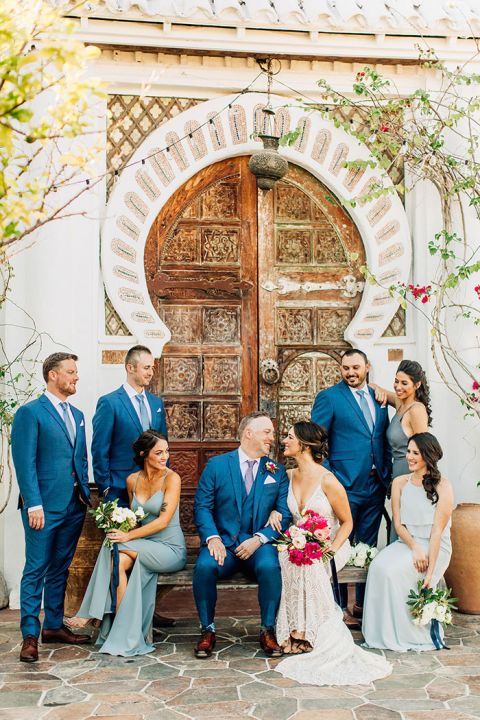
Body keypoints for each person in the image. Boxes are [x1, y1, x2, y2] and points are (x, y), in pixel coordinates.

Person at [270, 422, 391, 685]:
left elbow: (347, 522)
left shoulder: (328, 480)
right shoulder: (288, 476)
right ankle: (294, 632)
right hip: (299, 541)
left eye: (289, 437)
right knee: (288, 557)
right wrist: (274, 512)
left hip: (331, 543)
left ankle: (315, 633)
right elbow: (278, 504)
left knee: (310, 564)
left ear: (304, 445)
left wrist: (331, 549)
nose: (285, 440)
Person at [68, 430, 187, 656]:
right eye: (159, 452)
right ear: (144, 454)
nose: (165, 457)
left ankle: (90, 612)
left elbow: (162, 521)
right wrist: (123, 529)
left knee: (113, 544)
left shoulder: (172, 478)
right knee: (119, 559)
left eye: (167, 452)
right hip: (141, 545)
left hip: (170, 549)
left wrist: (126, 537)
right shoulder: (133, 480)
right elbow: (136, 519)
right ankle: (123, 627)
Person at [11, 352, 92, 663]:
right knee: (36, 569)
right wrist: (33, 503)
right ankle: (30, 635)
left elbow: (79, 459)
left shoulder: (79, 415)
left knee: (60, 568)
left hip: (74, 505)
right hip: (42, 507)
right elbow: (24, 462)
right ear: (52, 375)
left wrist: (84, 493)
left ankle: (54, 626)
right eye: (70, 372)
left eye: (76, 371)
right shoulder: (30, 413)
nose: (76, 377)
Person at [192, 411, 292, 659]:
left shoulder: (276, 472)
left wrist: (259, 538)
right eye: (266, 432)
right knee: (204, 567)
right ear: (249, 433)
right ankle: (207, 629)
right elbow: (202, 506)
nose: (272, 437)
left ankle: (267, 629)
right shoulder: (217, 465)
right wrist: (213, 538)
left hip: (258, 546)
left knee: (271, 567)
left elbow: (285, 513)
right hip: (223, 543)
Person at [311, 348, 391, 625]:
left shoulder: (379, 398)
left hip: (375, 483)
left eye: (356, 367)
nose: (351, 373)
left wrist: (387, 475)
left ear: (367, 366)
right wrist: (332, 477)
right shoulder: (329, 398)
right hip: (344, 485)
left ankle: (363, 606)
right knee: (340, 544)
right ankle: (338, 608)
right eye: (346, 368)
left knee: (367, 547)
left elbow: (378, 438)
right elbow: (315, 441)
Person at [363, 433, 453, 652]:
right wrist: (414, 547)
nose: (409, 457)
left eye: (415, 453)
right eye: (408, 452)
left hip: (434, 545)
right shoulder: (399, 483)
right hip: (408, 543)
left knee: (393, 572)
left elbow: (438, 531)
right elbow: (398, 524)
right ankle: (381, 634)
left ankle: (409, 634)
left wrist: (431, 574)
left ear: (428, 456)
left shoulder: (443, 486)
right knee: (378, 567)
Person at [92, 344, 167, 507]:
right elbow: (100, 449)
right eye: (146, 367)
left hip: (153, 490)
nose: (151, 373)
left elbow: (164, 446)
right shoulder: (109, 403)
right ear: (130, 367)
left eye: (152, 368)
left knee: (150, 533)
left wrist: (164, 481)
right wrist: (105, 487)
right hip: (119, 490)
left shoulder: (156, 403)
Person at [372, 359, 432, 480]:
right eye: (396, 381)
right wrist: (377, 390)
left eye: (404, 383)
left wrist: (422, 482)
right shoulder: (400, 402)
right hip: (397, 471)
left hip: (411, 473)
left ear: (417, 385)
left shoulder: (417, 410)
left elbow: (425, 449)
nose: (398, 387)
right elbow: (371, 386)